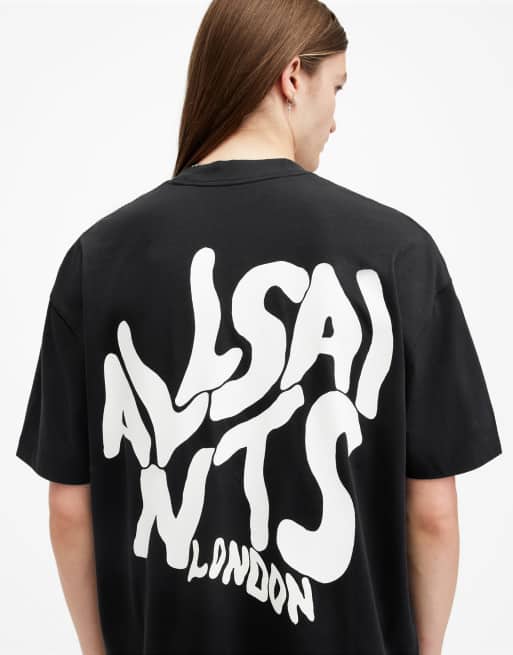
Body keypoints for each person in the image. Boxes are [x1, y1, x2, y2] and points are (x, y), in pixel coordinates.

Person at [15, 1, 503, 654]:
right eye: (337, 87)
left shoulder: (97, 259)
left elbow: (68, 510)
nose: (336, 117)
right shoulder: (399, 253)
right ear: (292, 77)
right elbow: (433, 514)